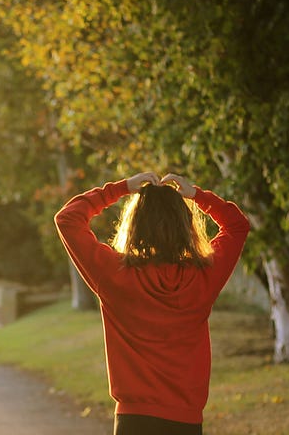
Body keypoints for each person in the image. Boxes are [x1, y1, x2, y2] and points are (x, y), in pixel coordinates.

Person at [54, 172, 251, 435]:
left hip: (133, 421)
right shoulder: (203, 276)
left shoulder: (115, 275)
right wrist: (197, 196)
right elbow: (237, 225)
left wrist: (121, 188)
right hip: (186, 422)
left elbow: (68, 219)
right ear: (185, 225)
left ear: (135, 224)